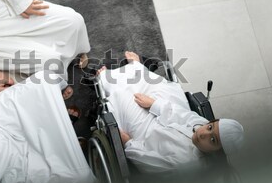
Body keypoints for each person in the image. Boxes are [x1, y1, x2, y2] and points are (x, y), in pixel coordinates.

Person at [95, 51, 244, 173]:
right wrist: (154, 104)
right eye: (210, 127)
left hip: (143, 134)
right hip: (160, 117)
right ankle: (137, 67)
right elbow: (180, 114)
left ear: (216, 152)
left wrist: (128, 143)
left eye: (212, 140)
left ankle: (106, 79)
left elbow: (147, 161)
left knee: (127, 96)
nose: (204, 133)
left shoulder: (185, 164)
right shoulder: (201, 125)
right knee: (160, 88)